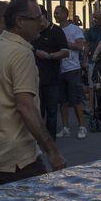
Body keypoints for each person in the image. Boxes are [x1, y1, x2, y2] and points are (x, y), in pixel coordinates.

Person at [0, 0, 66, 189]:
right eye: (37, 18)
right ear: (20, 21)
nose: (41, 23)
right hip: (18, 157)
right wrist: (52, 150)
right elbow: (25, 107)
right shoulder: (22, 53)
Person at [33, 7, 69, 139]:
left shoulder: (56, 31)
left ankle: (50, 139)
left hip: (52, 78)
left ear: (43, 16)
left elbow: (66, 52)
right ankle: (39, 139)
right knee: (37, 112)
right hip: (35, 79)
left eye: (37, 19)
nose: (36, 23)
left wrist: (49, 55)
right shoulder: (33, 32)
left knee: (52, 111)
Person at [54, 6, 87, 139]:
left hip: (72, 68)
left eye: (57, 13)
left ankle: (82, 126)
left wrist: (64, 43)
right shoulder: (55, 30)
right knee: (62, 101)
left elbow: (80, 46)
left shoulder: (74, 29)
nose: (55, 15)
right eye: (54, 13)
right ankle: (65, 127)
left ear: (65, 14)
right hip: (59, 69)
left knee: (76, 99)